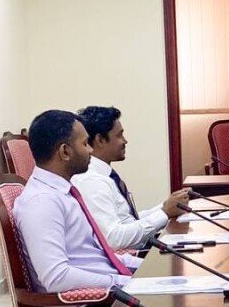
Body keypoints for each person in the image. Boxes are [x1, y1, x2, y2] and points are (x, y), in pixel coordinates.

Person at [13, 110, 140, 307]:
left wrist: (145, 269)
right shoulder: (42, 202)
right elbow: (57, 277)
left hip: (105, 299)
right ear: (65, 151)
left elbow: (96, 256)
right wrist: (120, 282)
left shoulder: (63, 191)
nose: (91, 150)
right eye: (85, 144)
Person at [71, 106, 189, 250]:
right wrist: (164, 213)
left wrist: (168, 206)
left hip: (137, 250)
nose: (125, 141)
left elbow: (128, 221)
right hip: (128, 257)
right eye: (119, 135)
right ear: (100, 140)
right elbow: (113, 239)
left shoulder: (104, 175)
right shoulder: (91, 181)